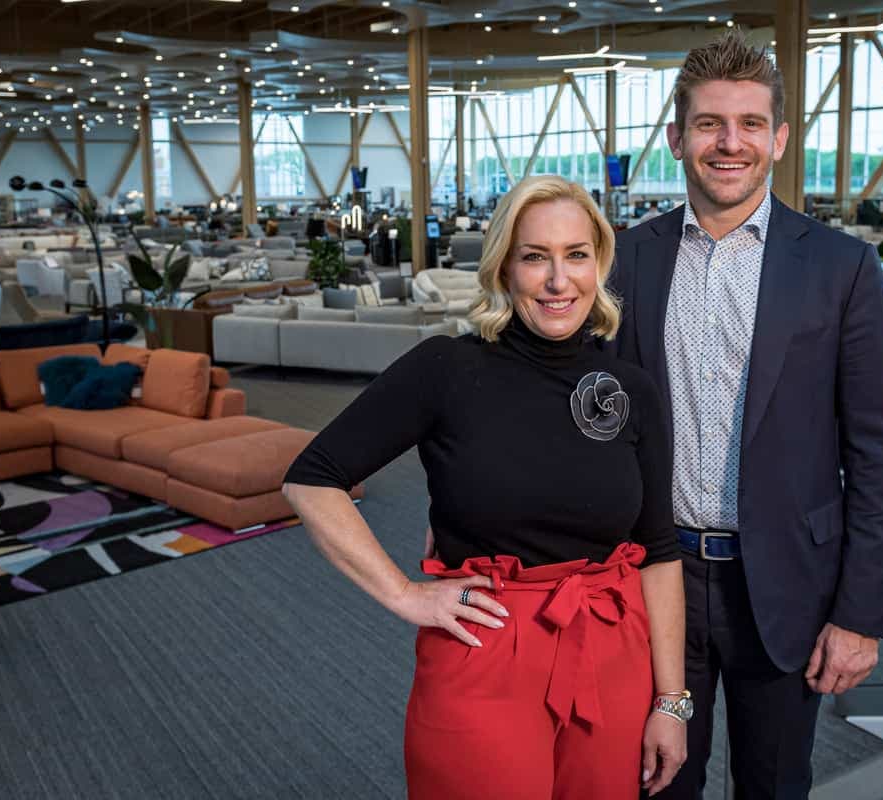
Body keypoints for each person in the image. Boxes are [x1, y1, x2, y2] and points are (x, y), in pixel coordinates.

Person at [282, 175, 689, 799]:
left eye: (576, 255)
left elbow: (658, 551)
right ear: (503, 267)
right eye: (535, 257)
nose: (559, 281)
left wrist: (672, 701)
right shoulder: (447, 369)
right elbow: (313, 479)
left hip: (612, 652)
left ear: (599, 265)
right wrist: (405, 595)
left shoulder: (631, 389)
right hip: (485, 647)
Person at [605, 33, 883, 799]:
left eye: (747, 123)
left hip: (787, 588)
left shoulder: (842, 268)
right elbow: (584, 414)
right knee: (654, 782)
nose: (728, 143)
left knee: (773, 785)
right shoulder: (623, 259)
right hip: (655, 581)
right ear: (677, 138)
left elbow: (876, 455)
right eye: (708, 123)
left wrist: (861, 615)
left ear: (777, 137)